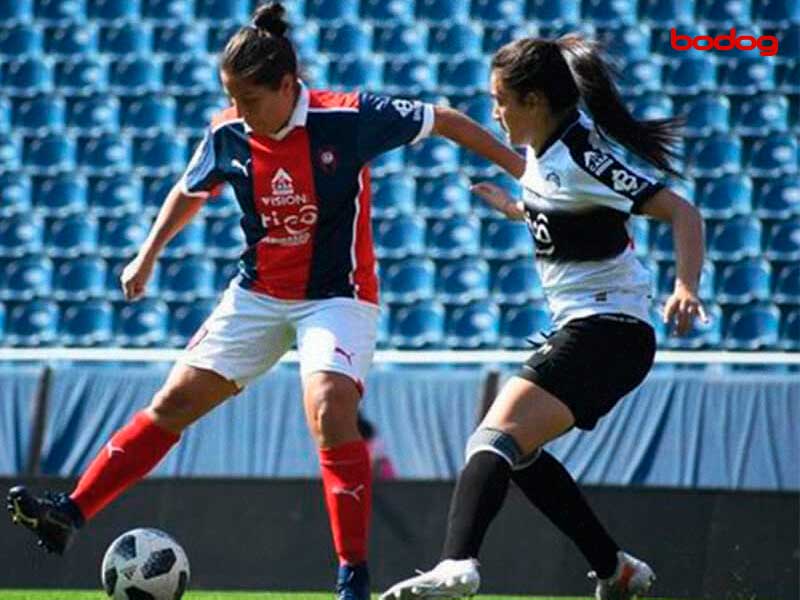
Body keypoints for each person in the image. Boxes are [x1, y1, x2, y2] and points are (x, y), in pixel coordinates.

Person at [5, 4, 523, 600]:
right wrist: (147, 254)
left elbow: (448, 119)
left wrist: (523, 171)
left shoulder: (347, 117)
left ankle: (352, 575)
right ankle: (69, 513)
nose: (241, 114)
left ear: (287, 85)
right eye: (232, 99)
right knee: (173, 401)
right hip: (258, 294)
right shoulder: (229, 130)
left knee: (329, 408)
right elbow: (190, 187)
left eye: (250, 100)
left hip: (337, 297)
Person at [381, 34, 707, 600]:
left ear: (533, 100)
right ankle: (616, 570)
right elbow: (561, 209)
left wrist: (685, 286)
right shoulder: (544, 154)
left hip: (611, 330)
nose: (495, 112)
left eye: (500, 100)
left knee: (492, 437)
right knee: (520, 452)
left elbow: (681, 211)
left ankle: (457, 565)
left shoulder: (582, 157)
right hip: (592, 330)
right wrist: (515, 209)